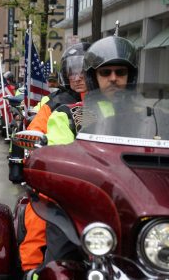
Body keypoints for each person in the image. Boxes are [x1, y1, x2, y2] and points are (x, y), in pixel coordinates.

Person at [24, 36, 138, 280]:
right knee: (55, 251)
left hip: (133, 198)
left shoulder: (148, 113)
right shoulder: (77, 112)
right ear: (95, 76)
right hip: (85, 197)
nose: (114, 79)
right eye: (106, 72)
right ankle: (34, 270)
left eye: (121, 72)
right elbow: (59, 155)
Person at [19, 42, 91, 278]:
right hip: (65, 180)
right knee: (40, 214)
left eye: (83, 70)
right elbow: (35, 135)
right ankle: (33, 270)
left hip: (104, 183)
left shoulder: (113, 104)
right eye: (73, 71)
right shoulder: (53, 105)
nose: (78, 76)